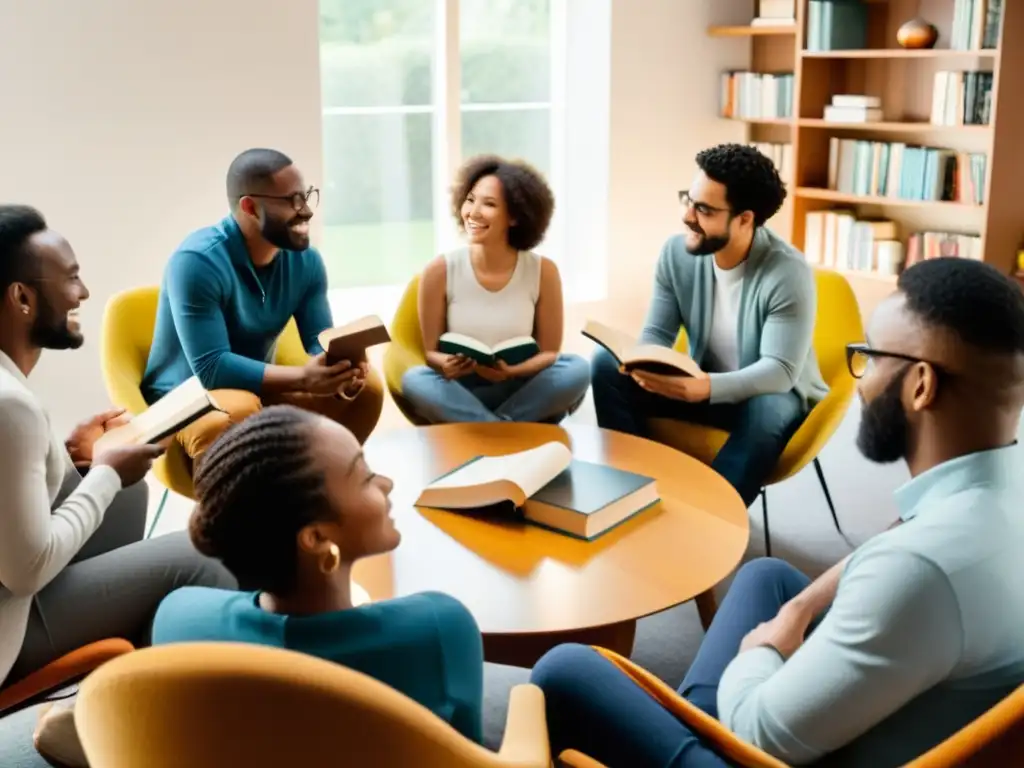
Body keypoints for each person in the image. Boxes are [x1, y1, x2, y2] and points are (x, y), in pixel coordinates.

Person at [530, 256, 1024, 767]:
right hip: (904, 701)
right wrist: (797, 611)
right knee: (768, 579)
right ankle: (686, 724)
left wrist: (763, 649)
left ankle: (685, 732)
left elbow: (758, 732)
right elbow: (901, 541)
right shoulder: (994, 498)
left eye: (870, 358)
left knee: (564, 671)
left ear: (921, 386)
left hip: (785, 751)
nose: (859, 383)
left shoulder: (919, 571)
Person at [0, 205, 235, 692]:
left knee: (127, 495)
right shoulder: (10, 407)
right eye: (71, 278)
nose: (82, 292)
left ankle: (129, 678)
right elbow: (24, 573)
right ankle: (171, 713)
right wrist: (105, 470)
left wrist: (72, 458)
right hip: (8, 631)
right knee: (208, 553)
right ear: (22, 298)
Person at [151, 405, 485, 742]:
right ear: (317, 538)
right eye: (365, 477)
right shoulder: (437, 630)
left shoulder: (176, 617)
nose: (387, 483)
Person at [591, 143, 827, 506]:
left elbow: (779, 371)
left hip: (765, 392)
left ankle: (710, 520)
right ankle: (633, 488)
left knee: (767, 411)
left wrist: (706, 389)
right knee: (605, 364)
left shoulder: (787, 272)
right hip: (702, 383)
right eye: (689, 199)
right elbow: (657, 334)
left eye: (704, 209)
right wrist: (641, 362)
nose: (688, 216)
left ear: (745, 219)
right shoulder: (677, 253)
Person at [140, 148, 384, 462]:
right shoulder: (196, 261)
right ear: (250, 207)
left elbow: (317, 339)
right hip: (186, 394)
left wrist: (340, 364)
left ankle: (319, 494)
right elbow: (212, 369)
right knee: (238, 409)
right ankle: (235, 511)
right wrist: (303, 378)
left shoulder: (306, 261)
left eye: (307, 196)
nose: (306, 211)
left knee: (368, 389)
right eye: (292, 200)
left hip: (254, 389)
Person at [400, 154, 590, 423]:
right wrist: (447, 364)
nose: (473, 213)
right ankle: (505, 429)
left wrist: (512, 371)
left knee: (577, 368)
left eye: (488, 204)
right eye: (470, 200)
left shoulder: (543, 271)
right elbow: (431, 353)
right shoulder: (439, 270)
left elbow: (549, 353)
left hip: (519, 387)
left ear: (514, 217)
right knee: (415, 379)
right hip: (461, 392)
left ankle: (487, 428)